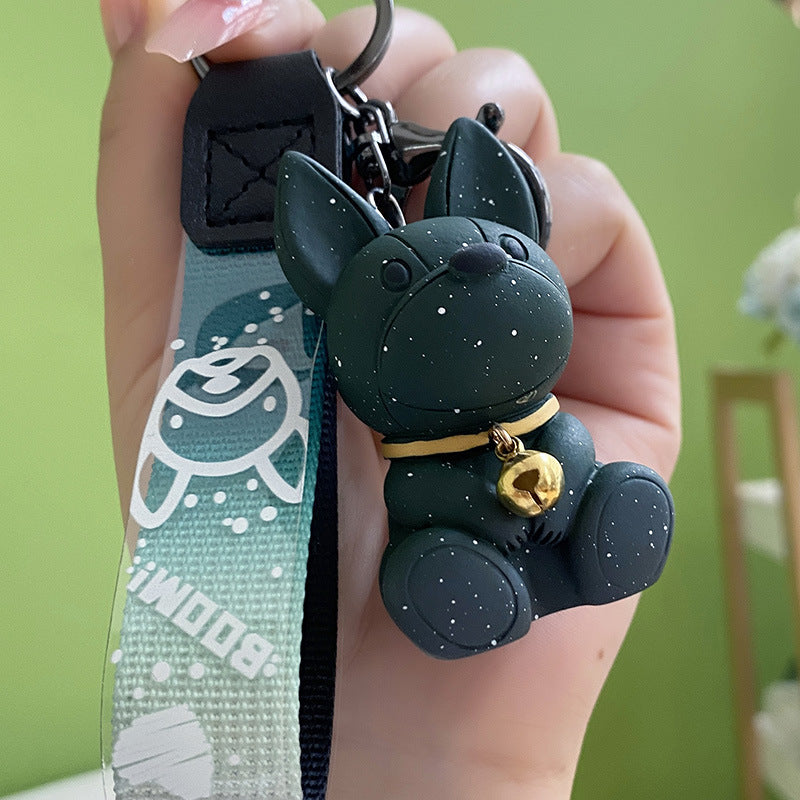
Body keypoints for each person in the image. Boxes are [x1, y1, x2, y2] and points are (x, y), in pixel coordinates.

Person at [97, 1, 681, 797]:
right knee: (427, 567)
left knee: (599, 481)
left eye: (505, 242)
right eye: (399, 275)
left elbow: (566, 447)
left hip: (554, 523)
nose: (477, 262)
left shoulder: (549, 418)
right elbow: (422, 496)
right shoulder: (409, 473)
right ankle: (477, 590)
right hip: (445, 559)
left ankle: (605, 530)